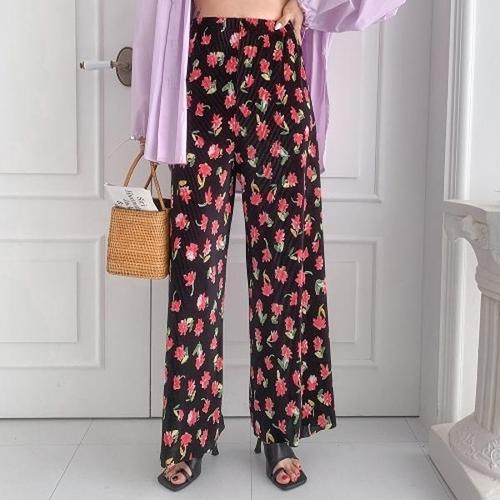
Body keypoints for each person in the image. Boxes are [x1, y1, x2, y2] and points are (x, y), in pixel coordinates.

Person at [130, 0, 407, 491]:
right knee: (195, 271)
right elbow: (155, 15)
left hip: (276, 65)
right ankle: (189, 434)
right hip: (204, 66)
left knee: (283, 269)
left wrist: (309, 4)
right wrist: (149, 114)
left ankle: (280, 432)